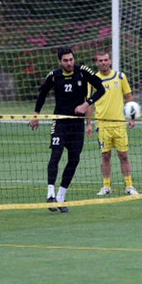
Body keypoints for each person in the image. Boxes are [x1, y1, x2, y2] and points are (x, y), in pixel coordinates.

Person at [29, 47, 106, 212]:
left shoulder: (83, 72)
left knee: (74, 160)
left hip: (77, 124)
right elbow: (42, 94)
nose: (69, 63)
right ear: (60, 62)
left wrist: (86, 104)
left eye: (71, 59)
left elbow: (101, 89)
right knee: (55, 154)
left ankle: (61, 197)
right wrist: (35, 115)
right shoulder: (54, 76)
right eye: (65, 60)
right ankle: (50, 194)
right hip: (60, 122)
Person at [86, 52, 138, 196]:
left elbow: (129, 97)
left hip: (119, 124)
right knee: (105, 156)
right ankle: (106, 186)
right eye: (100, 60)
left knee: (124, 155)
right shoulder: (93, 80)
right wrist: (89, 124)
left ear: (110, 61)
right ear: (97, 63)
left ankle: (129, 185)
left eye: (105, 60)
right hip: (102, 126)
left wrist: (132, 117)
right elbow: (89, 103)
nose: (103, 62)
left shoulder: (120, 77)